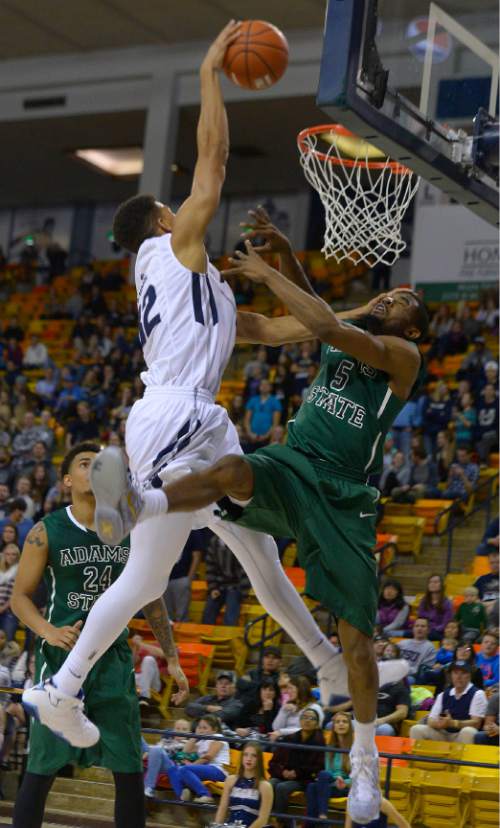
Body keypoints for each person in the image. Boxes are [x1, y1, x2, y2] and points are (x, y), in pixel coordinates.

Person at [27, 32, 396, 760]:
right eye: (177, 207)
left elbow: (276, 328)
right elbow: (215, 165)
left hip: (200, 420)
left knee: (255, 547)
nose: (187, 211)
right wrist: (208, 73)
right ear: (164, 220)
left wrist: (355, 320)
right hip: (174, 415)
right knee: (147, 574)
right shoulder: (170, 248)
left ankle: (325, 664)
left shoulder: (203, 287)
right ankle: (61, 688)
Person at [92, 217, 427, 822]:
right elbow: (319, 313)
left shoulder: (401, 355)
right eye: (390, 291)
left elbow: (323, 321)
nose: (389, 297)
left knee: (357, 644)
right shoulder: (350, 330)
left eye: (401, 301)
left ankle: (364, 761)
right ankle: (143, 502)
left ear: (413, 327)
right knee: (231, 470)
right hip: (294, 461)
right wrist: (290, 257)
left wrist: (267, 272)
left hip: (345, 496)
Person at [13, 443, 188, 828]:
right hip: (60, 661)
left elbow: (153, 599)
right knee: (41, 767)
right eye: (84, 463)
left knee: (127, 768)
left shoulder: (131, 531)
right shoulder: (46, 531)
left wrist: (172, 657)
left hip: (113, 661)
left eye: (99, 465)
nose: (93, 470)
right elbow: (19, 597)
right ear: (67, 480)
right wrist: (49, 631)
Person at [268, 707, 325, 827]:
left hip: (304, 779)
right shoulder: (290, 738)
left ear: (316, 723)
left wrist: (296, 773)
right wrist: (282, 772)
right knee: (270, 784)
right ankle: (266, 818)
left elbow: (318, 767)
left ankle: (280, 822)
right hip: (283, 775)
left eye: (312, 718)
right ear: (300, 720)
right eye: (304, 717)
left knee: (282, 787)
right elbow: (273, 763)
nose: (307, 720)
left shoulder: (320, 741)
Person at [409, 660, 487, 743]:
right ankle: (418, 755)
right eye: (455, 673)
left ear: (469, 676)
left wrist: (453, 723)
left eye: (463, 673)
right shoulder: (443, 695)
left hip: (460, 734)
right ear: (451, 676)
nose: (458, 677)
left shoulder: (477, 694)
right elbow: (430, 720)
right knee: (416, 729)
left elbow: (476, 723)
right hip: (442, 732)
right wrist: (438, 724)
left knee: (469, 731)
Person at [164, 714, 230, 804]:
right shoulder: (202, 741)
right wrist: (195, 735)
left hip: (218, 770)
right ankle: (182, 795)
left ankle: (205, 795)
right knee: (172, 769)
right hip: (204, 769)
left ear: (214, 729)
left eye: (204, 728)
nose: (201, 730)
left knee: (184, 769)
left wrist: (192, 765)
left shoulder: (218, 737)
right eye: (199, 727)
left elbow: (208, 757)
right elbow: (185, 751)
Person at [214, 740, 273, 827]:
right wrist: (217, 826)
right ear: (241, 757)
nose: (249, 759)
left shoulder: (265, 786)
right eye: (246, 755)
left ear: (259, 760)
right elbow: (222, 809)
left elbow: (263, 819)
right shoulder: (230, 780)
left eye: (254, 756)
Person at [306, 711, 353, 820]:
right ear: (334, 726)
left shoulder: (355, 749)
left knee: (314, 786)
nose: (341, 724)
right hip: (331, 783)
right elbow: (329, 772)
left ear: (350, 726)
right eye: (337, 722)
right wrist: (335, 779)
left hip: (347, 787)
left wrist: (344, 782)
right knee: (313, 785)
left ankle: (321, 817)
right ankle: (319, 819)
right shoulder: (329, 748)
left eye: (344, 722)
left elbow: (358, 778)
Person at [202, 533, 250, 625]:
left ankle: (229, 635)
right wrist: (213, 588)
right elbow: (210, 568)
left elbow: (245, 570)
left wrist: (243, 592)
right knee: (208, 612)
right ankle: (206, 635)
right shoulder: (214, 542)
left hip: (236, 586)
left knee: (231, 615)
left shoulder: (238, 542)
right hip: (219, 586)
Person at [143, 717, 198, 797]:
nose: (180, 731)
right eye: (177, 728)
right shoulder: (166, 740)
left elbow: (184, 758)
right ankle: (147, 787)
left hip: (172, 766)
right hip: (157, 761)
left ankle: (148, 787)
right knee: (139, 737)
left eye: (184, 729)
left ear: (189, 732)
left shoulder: (190, 744)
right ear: (173, 730)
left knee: (156, 749)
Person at [164, 528, 204, 622]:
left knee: (182, 615)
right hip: (164, 579)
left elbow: (197, 555)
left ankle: (180, 636)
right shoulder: (165, 530)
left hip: (182, 577)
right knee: (166, 617)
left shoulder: (193, 530)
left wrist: (189, 578)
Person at [270, 676, 324, 740]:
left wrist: (282, 732)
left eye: (290, 688)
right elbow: (275, 728)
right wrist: (283, 711)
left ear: (301, 689)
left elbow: (311, 730)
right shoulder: (288, 706)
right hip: (285, 741)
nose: (287, 691)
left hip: (303, 744)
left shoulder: (314, 708)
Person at [398, 618, 437, 684]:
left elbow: (423, 670)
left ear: (428, 630)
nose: (419, 628)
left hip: (412, 677)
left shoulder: (430, 648)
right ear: (413, 629)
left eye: (423, 626)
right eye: (417, 626)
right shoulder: (402, 643)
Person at [417, 574, 454, 640]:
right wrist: (423, 628)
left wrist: (431, 629)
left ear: (441, 585)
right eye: (430, 582)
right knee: (410, 633)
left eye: (435, 582)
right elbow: (420, 617)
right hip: (424, 629)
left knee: (430, 634)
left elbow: (446, 624)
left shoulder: (447, 603)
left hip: (438, 632)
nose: (432, 584)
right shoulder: (424, 601)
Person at [0, 543, 20, 640]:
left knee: (7, 641)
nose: (10, 557)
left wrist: (3, 608)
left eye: (13, 554)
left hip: (9, 611)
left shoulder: (20, 570)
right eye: (8, 554)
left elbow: (17, 593)